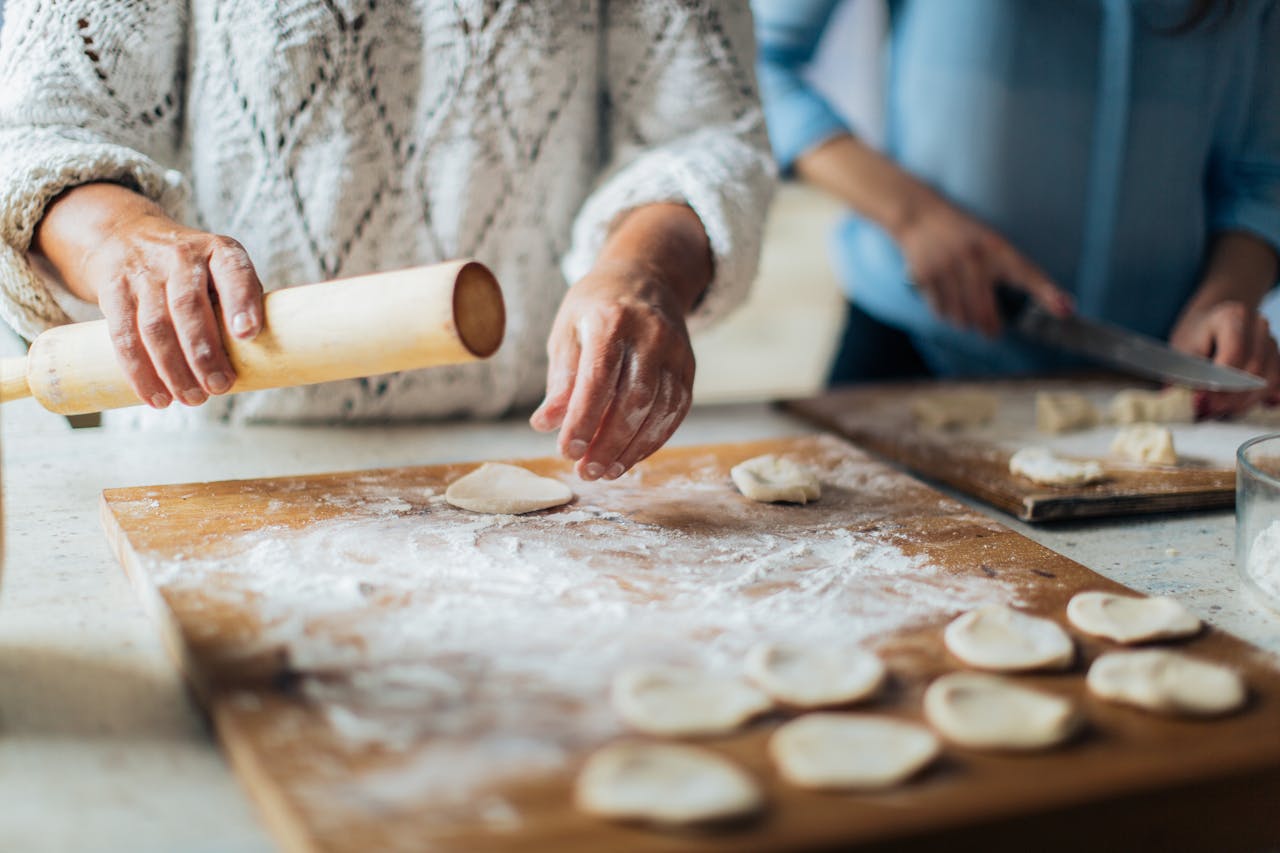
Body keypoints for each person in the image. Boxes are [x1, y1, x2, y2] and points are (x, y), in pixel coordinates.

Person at [0, 1, 774, 481]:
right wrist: (121, 236)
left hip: (533, 443)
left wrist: (643, 267)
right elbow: (37, 133)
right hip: (208, 452)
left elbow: (705, 135)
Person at [754, 0, 1280, 417]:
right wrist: (912, 215)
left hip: (1154, 378)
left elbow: (1262, 173)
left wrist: (1225, 298)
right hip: (912, 348)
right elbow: (748, 65)